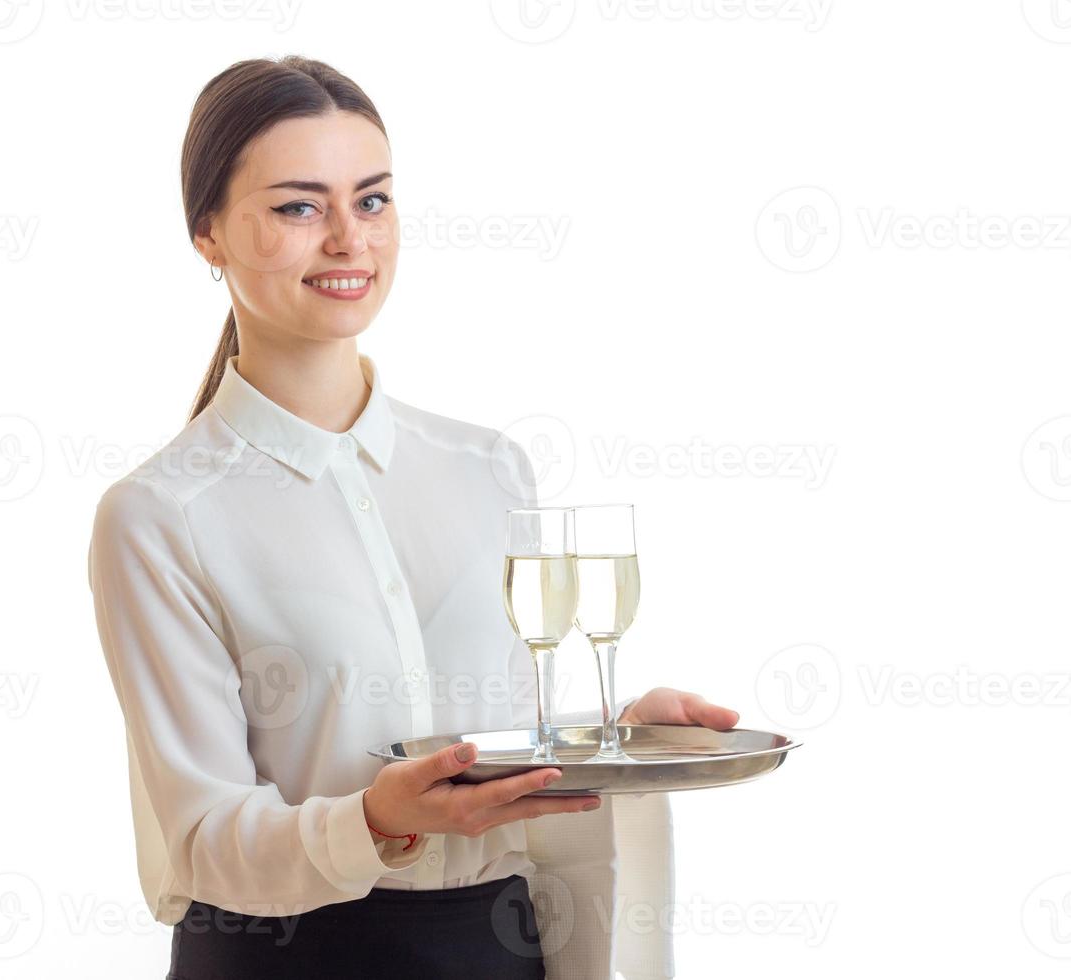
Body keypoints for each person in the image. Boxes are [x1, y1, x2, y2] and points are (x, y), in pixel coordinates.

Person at [88, 55, 740, 980]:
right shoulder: (158, 517)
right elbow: (201, 837)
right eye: (299, 207)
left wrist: (618, 738)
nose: (351, 239)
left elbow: (511, 734)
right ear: (208, 235)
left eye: (375, 200)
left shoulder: (489, 469)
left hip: (499, 953)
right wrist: (377, 818)